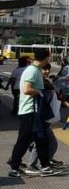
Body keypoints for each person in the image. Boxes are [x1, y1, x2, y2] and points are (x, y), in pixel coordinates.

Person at [7, 49, 57, 177]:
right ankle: (14, 168)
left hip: (34, 111)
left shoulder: (35, 70)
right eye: (49, 58)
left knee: (41, 139)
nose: (49, 60)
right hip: (29, 111)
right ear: (46, 58)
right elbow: (26, 89)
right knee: (24, 140)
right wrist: (40, 93)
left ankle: (45, 166)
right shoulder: (32, 71)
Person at [28, 62, 64, 170]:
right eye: (44, 69)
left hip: (43, 117)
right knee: (42, 143)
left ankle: (45, 162)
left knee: (45, 143)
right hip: (39, 117)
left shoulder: (46, 81)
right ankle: (35, 165)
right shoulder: (39, 83)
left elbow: (54, 95)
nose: (47, 71)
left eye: (48, 69)